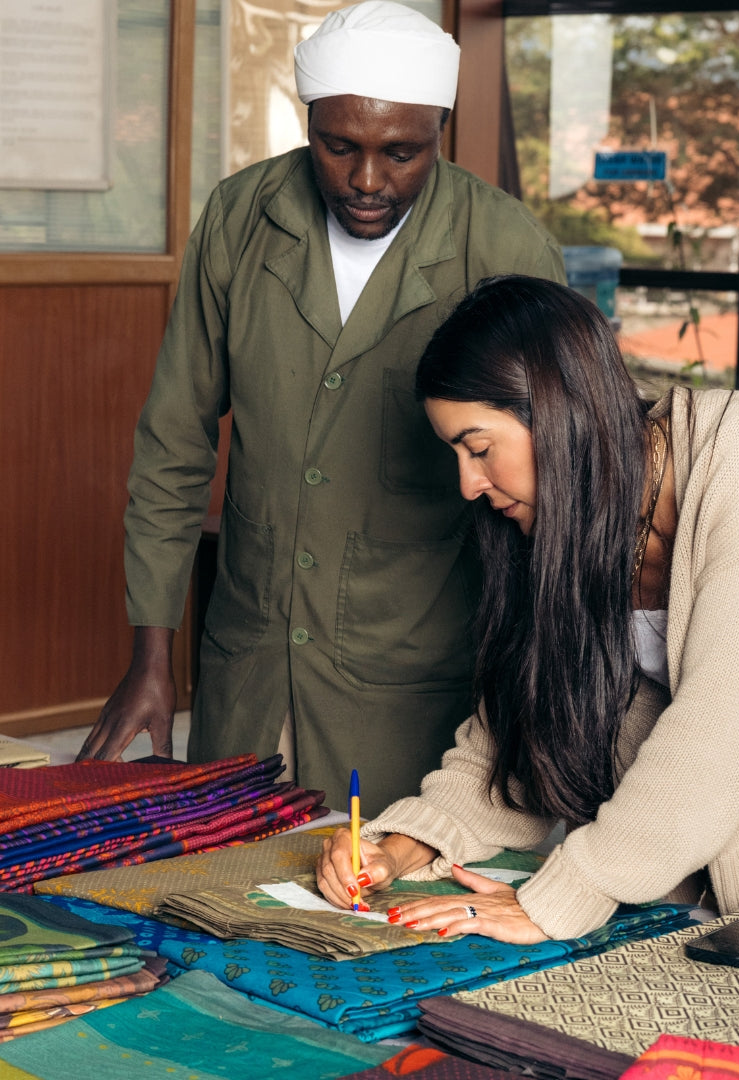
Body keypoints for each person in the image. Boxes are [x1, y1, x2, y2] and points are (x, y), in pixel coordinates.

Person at [316, 274, 739, 944]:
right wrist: (402, 844)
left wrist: (567, 892)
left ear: (558, 410)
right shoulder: (556, 527)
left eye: (480, 448)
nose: (470, 484)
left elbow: (728, 726)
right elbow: (518, 738)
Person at [77, 3, 565, 814]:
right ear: (309, 124)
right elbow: (174, 442)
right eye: (338, 147)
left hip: (411, 685)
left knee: (381, 911)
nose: (367, 180)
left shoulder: (505, 247)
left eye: (400, 153)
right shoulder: (240, 218)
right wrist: (151, 654)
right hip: (250, 667)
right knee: (218, 902)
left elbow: (556, 482)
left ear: (439, 130)